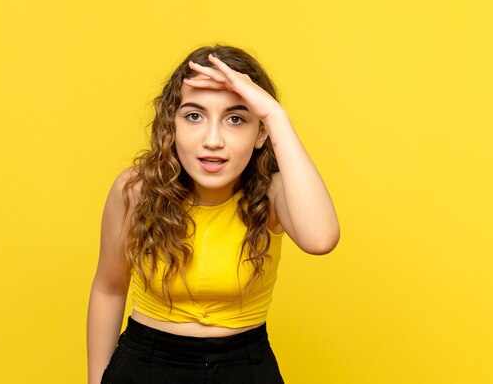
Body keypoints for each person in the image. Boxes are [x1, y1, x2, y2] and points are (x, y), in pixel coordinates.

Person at [86, 44, 340, 384]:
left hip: (244, 368)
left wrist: (276, 117)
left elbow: (321, 239)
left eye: (236, 119)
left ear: (260, 131)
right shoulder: (137, 190)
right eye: (194, 116)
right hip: (144, 367)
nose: (213, 139)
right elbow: (109, 287)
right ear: (171, 125)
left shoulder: (273, 192)